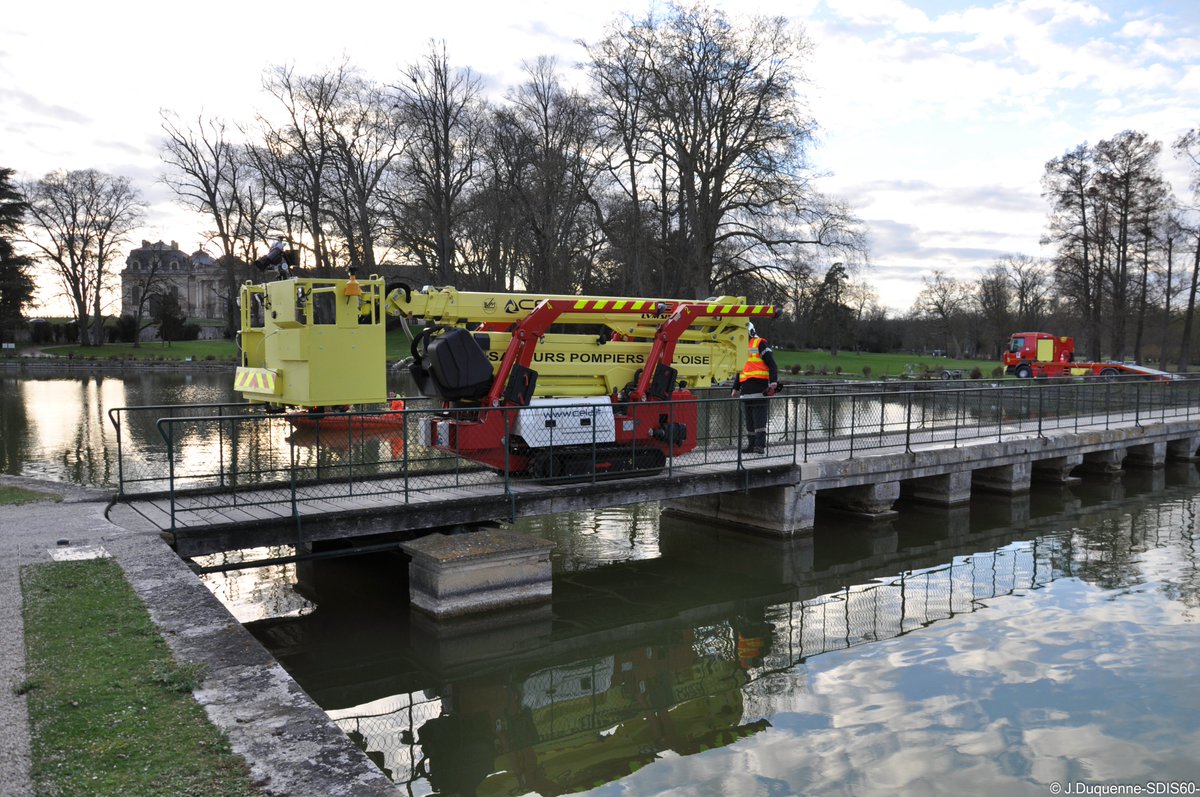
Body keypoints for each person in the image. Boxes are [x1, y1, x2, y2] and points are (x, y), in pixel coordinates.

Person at [731, 323, 779, 454]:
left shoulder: (759, 343)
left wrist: (774, 382)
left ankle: (760, 446)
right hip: (746, 390)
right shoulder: (741, 348)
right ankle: (751, 445)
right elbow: (740, 370)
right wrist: (735, 387)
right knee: (749, 422)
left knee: (759, 419)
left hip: (760, 389)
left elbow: (772, 364)